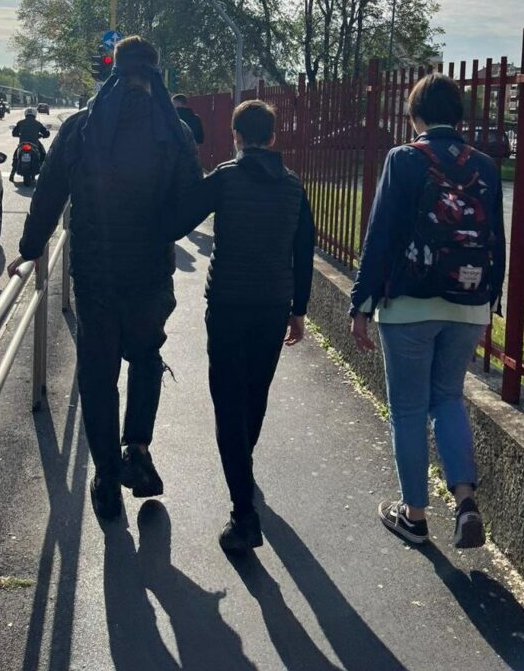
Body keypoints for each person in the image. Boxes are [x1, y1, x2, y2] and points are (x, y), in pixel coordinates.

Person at [8, 36, 202, 520]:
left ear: (115, 69)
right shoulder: (174, 131)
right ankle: (137, 449)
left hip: (95, 275)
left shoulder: (81, 127)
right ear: (156, 72)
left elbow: (49, 194)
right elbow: (190, 207)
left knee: (97, 375)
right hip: (150, 275)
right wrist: (158, 232)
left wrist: (30, 251)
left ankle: (105, 478)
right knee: (145, 357)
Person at [349, 74, 506, 549]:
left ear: (414, 115)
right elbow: (497, 235)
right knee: (448, 398)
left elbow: (381, 234)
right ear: (458, 116)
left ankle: (415, 515)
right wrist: (489, 298)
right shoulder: (484, 164)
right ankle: (464, 501)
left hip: (410, 304)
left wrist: (362, 301)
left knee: (410, 409)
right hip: (469, 302)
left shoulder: (403, 159)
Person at [173, 100, 315, 553]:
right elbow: (304, 249)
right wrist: (299, 309)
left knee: (227, 401)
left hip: (230, 302)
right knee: (255, 394)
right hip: (273, 304)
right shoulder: (294, 186)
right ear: (273, 137)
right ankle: (244, 469)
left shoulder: (225, 177)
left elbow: (179, 220)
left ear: (236, 135)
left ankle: (243, 512)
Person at [10, 107, 50, 181]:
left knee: (15, 156)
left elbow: (14, 133)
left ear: (25, 114)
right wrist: (43, 135)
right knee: (43, 154)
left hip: (22, 144)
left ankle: (12, 173)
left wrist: (19, 135)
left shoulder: (20, 122)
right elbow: (46, 133)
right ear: (35, 114)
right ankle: (44, 174)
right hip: (35, 144)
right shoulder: (38, 123)